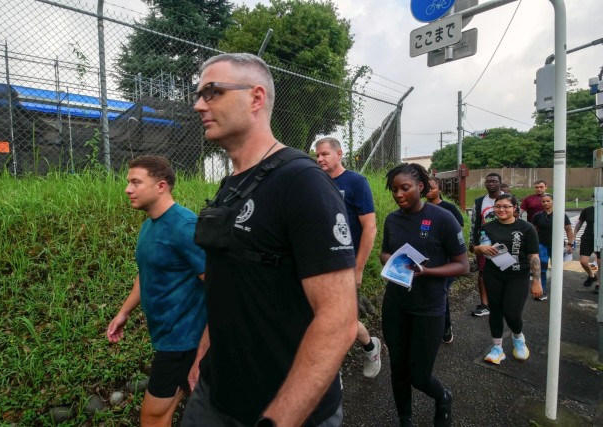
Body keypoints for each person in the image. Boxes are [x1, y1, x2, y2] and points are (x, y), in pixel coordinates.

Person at [183, 53, 358, 427]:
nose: (199, 104)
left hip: (282, 410)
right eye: (198, 94)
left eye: (212, 92)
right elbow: (229, 281)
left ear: (256, 98)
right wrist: (204, 352)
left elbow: (339, 320)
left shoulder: (303, 183)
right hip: (215, 397)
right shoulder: (232, 185)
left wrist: (278, 421)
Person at [106, 155, 207, 427]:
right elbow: (147, 272)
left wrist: (204, 348)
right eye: (128, 182)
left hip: (183, 340)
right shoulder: (149, 225)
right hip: (167, 337)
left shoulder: (185, 226)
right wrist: (124, 312)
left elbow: (220, 285)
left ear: (161, 186)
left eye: (136, 182)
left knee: (152, 416)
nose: (128, 189)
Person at [380, 163, 469, 427]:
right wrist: (394, 260)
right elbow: (384, 253)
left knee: (418, 374)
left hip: (428, 307)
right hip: (395, 304)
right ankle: (405, 419)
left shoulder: (443, 218)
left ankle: (443, 397)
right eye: (394, 189)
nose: (398, 194)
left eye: (404, 188)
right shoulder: (392, 219)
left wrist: (425, 271)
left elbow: (462, 265)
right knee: (397, 366)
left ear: (420, 186)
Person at [315, 137, 381, 378]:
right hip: (320, 264)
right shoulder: (315, 182)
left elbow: (370, 227)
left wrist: (358, 267)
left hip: (346, 265)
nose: (320, 158)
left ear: (339, 153)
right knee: (324, 319)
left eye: (324, 154)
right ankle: (342, 365)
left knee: (344, 321)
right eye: (317, 155)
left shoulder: (356, 182)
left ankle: (370, 348)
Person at [474, 194, 542, 365]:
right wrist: (479, 248)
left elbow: (534, 256)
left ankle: (518, 337)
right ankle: (497, 348)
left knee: (512, 313)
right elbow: (475, 248)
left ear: (515, 208)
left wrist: (536, 281)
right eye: (498, 206)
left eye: (506, 206)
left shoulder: (527, 228)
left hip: (518, 276)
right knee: (495, 310)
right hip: (493, 275)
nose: (501, 209)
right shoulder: (487, 227)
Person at [426, 177, 464, 344]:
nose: (428, 191)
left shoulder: (449, 209)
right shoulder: (419, 208)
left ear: (439, 189)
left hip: (447, 262)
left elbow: (458, 230)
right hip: (426, 262)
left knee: (441, 293)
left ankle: (445, 326)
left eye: (432, 188)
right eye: (426, 188)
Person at [469, 173, 503, 317]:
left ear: (500, 183)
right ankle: (485, 304)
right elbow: (474, 223)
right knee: (483, 273)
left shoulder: (508, 199)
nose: (490, 184)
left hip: (503, 243)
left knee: (503, 271)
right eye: (488, 181)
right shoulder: (479, 202)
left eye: (494, 181)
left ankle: (501, 302)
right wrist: (473, 242)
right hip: (484, 243)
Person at [531, 193, 574, 300]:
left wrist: (570, 244)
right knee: (542, 269)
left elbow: (568, 230)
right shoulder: (538, 216)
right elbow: (534, 231)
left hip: (557, 246)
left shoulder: (561, 215)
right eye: (543, 201)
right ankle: (542, 290)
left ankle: (557, 290)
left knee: (557, 269)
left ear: (553, 201)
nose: (545, 203)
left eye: (548, 201)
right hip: (542, 245)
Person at [574, 204, 601, 291]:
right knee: (583, 261)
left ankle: (599, 283)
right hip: (588, 237)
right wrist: (574, 235)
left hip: (601, 239)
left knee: (601, 264)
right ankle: (591, 275)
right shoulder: (587, 210)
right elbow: (580, 223)